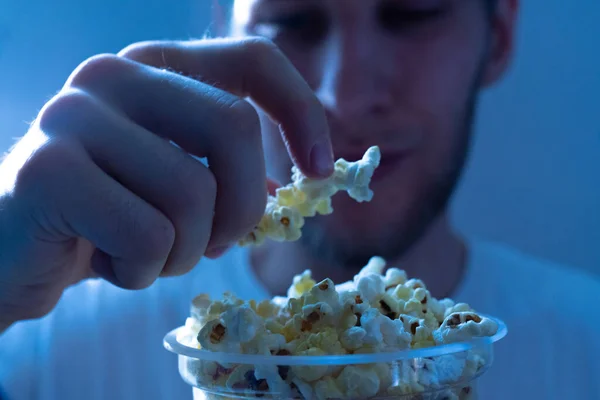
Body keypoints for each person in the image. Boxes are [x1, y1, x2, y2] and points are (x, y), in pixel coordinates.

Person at [0, 0, 598, 399]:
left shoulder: (585, 353)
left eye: (412, 13)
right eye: (294, 19)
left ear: (496, 37)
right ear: (230, 31)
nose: (347, 93)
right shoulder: (44, 353)